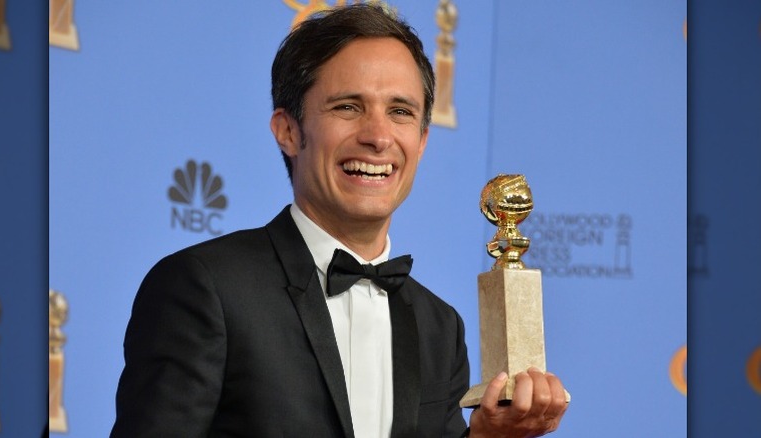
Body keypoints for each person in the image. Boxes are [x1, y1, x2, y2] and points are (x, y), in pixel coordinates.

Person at [111, 4, 567, 437]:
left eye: (400, 112)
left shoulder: (439, 327)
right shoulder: (204, 288)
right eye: (348, 107)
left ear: (423, 141)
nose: (377, 136)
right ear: (288, 131)